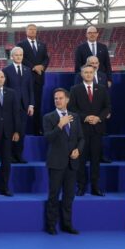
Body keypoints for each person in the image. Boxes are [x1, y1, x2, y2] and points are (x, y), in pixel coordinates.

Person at [43, 88, 83, 235]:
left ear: (67, 100)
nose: (57, 101)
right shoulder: (49, 117)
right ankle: (51, 225)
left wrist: (78, 150)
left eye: (60, 98)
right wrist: (60, 125)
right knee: (54, 195)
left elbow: (81, 138)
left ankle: (67, 224)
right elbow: (48, 138)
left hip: (72, 164)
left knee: (69, 196)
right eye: (55, 99)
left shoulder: (75, 117)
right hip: (56, 162)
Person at [68, 65, 111, 196]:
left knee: (95, 160)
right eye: (85, 72)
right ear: (81, 74)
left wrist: (98, 118)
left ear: (94, 73)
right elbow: (71, 108)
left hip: (97, 129)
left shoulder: (102, 89)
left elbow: (107, 107)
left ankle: (95, 186)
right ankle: (81, 186)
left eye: (90, 72)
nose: (88, 75)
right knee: (81, 160)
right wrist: (85, 117)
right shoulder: (75, 89)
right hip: (81, 130)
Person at [2, 47, 33, 164]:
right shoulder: (6, 70)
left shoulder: (27, 70)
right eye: (16, 55)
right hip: (10, 106)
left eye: (21, 55)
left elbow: (30, 89)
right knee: (10, 131)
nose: (19, 57)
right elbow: (4, 89)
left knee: (21, 131)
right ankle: (9, 156)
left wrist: (31, 105)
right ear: (12, 56)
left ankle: (18, 155)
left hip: (24, 106)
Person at [17, 24, 49, 135]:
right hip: (25, 78)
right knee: (23, 105)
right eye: (30, 29)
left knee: (37, 105)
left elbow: (46, 58)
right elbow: (22, 58)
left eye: (34, 30)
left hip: (39, 79)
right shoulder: (21, 44)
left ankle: (37, 130)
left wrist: (42, 67)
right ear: (26, 31)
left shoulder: (42, 45)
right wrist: (34, 67)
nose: (32, 31)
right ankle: (20, 130)